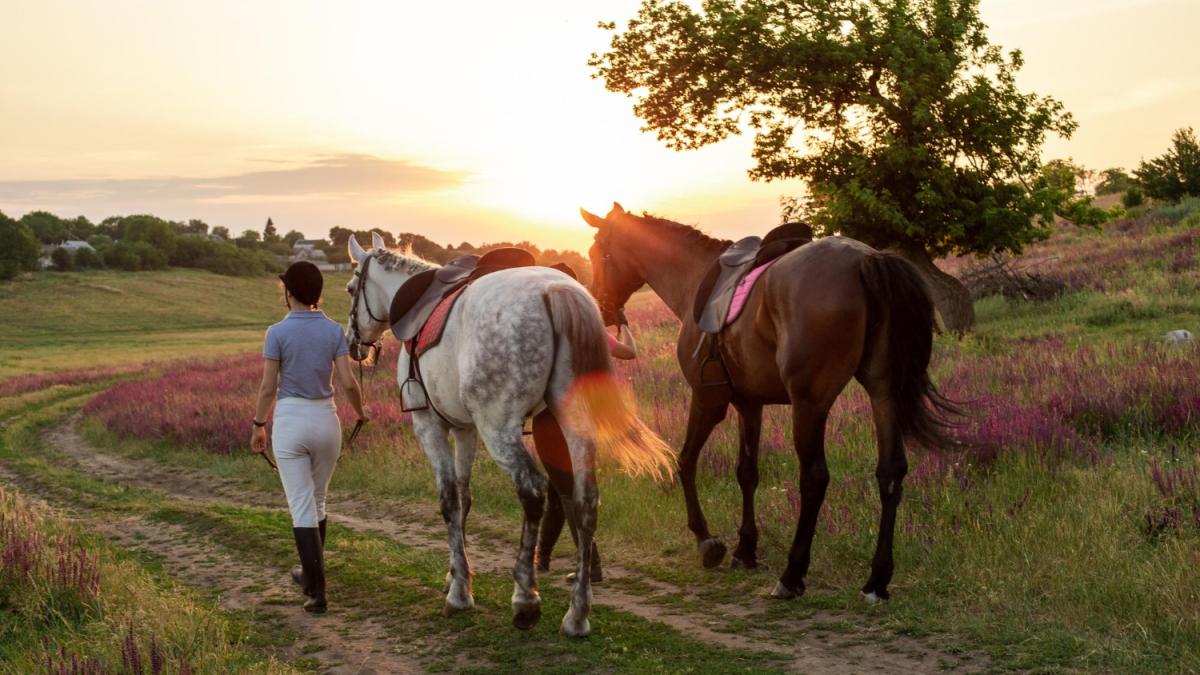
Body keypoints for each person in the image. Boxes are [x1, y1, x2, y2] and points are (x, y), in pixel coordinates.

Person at [251, 261, 367, 613]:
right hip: (326, 419)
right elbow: (347, 382)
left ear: (289, 292)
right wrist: (361, 413)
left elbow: (269, 386)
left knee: (301, 505)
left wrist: (258, 424)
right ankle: (308, 575)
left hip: (290, 420)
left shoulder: (276, 333)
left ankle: (317, 592)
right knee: (317, 501)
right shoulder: (333, 331)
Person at [536, 262, 638, 581]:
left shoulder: (543, 328)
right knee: (560, 487)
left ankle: (590, 565)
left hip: (551, 418)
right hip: (586, 416)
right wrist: (622, 324)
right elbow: (629, 352)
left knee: (567, 491)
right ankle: (544, 557)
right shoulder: (589, 327)